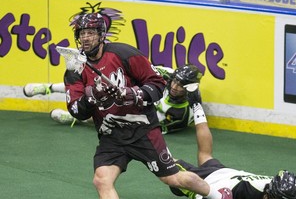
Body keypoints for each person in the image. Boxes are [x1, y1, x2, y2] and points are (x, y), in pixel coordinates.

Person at [63, 12, 239, 199]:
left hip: (142, 130)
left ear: (102, 35)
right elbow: (76, 110)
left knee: (174, 179)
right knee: (102, 179)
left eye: (91, 32)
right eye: (82, 34)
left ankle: (219, 198)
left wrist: (134, 95)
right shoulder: (75, 68)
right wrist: (93, 96)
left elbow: (157, 84)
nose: (86, 38)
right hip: (111, 135)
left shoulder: (124, 54)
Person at [23, 64, 202, 134]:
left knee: (116, 117)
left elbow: (152, 125)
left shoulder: (182, 113)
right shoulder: (168, 74)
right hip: (136, 91)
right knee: (97, 84)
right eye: (175, 82)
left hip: (142, 114)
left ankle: (77, 118)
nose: (175, 87)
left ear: (188, 90)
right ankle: (47, 88)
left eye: (181, 86)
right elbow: (144, 70)